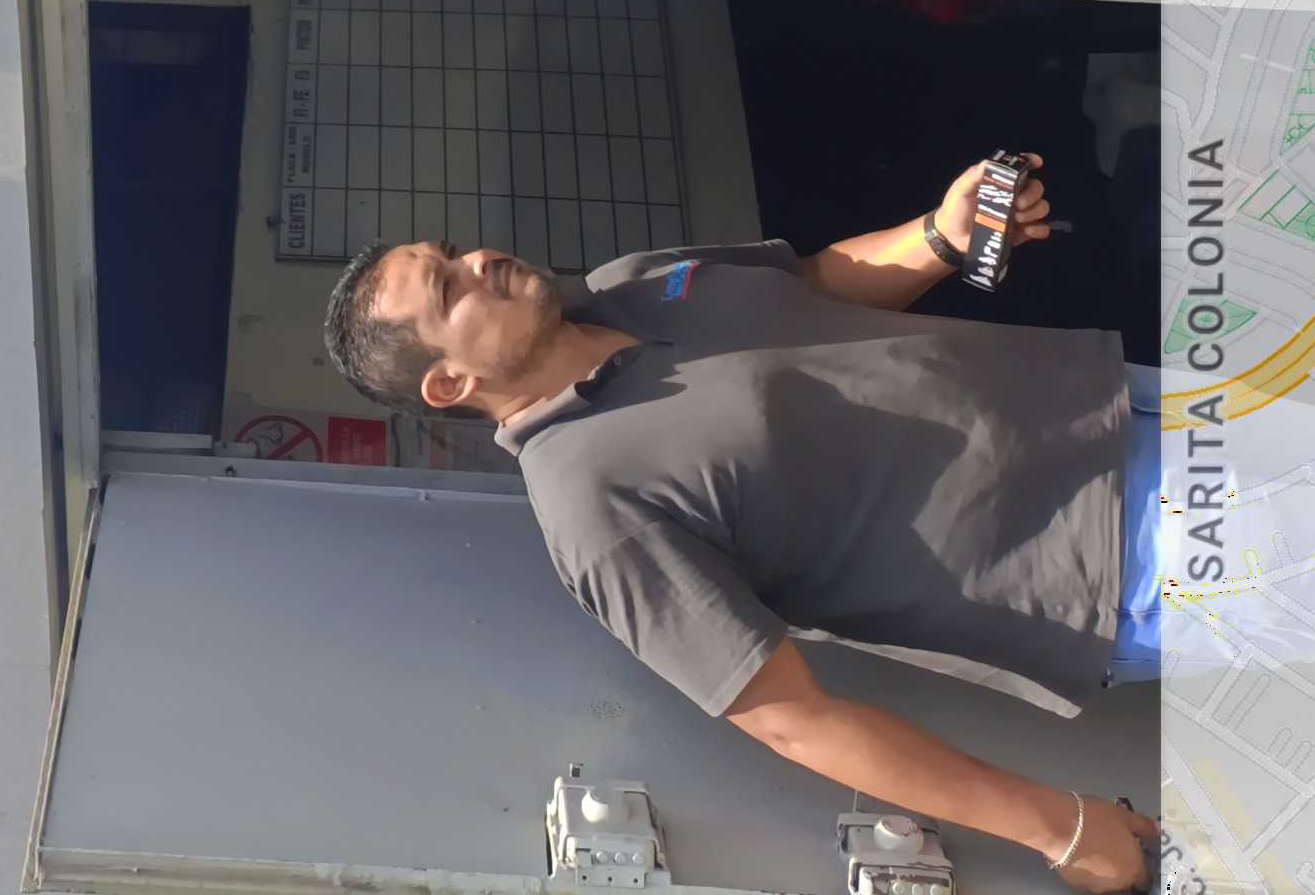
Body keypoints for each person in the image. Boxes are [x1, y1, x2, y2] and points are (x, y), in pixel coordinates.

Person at [319, 158, 1180, 895]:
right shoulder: (594, 509)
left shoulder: (629, 281)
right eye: (450, 288)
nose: (478, 261)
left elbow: (813, 283)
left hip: (1121, 393)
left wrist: (939, 237)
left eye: (452, 251)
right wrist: (1057, 827)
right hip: (1123, 553)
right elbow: (790, 718)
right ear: (449, 385)